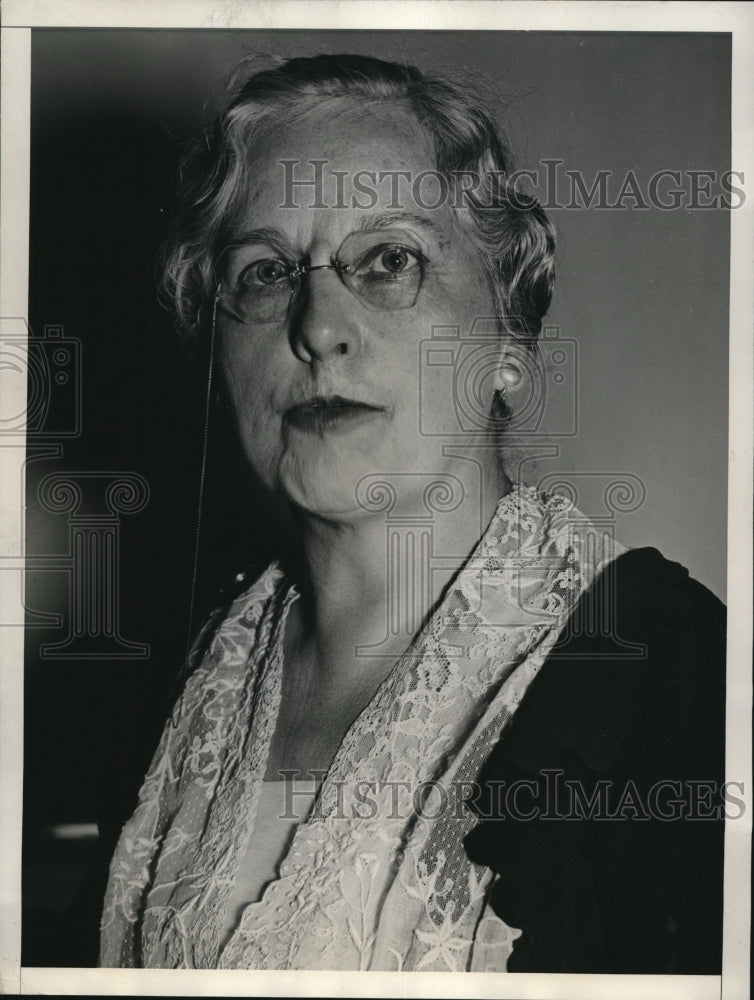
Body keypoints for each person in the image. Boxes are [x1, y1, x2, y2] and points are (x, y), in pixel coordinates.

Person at [98, 53, 726, 973]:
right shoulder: (197, 670)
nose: (318, 325)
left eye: (390, 260)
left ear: (509, 339)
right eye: (265, 273)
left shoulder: (673, 678)